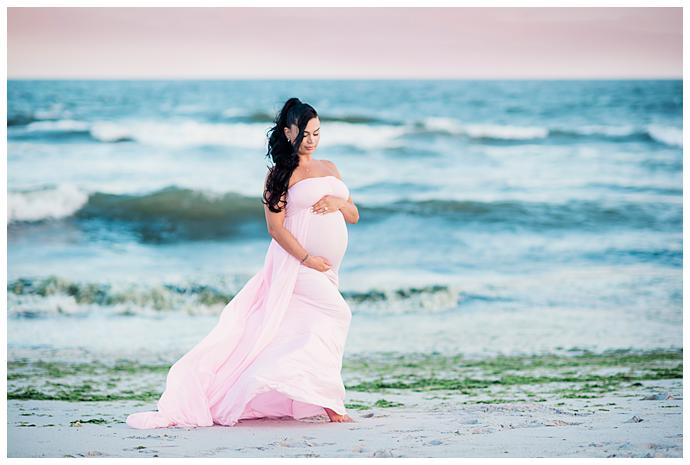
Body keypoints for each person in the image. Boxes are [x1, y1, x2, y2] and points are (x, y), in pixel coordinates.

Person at [125, 97, 358, 428]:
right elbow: (275, 229)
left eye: (317, 133)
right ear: (288, 132)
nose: (312, 141)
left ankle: (295, 390)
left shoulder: (331, 168)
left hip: (327, 269)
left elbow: (354, 214)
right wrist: (308, 259)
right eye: (305, 134)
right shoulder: (280, 175)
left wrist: (338, 202)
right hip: (296, 264)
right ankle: (330, 402)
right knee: (337, 314)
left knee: (301, 329)